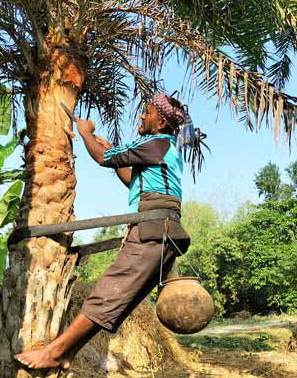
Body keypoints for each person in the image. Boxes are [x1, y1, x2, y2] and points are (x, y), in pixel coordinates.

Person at [15, 93, 200, 370]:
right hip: (164, 233)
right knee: (117, 302)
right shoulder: (167, 148)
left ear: (160, 122)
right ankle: (68, 353)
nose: (141, 116)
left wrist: (86, 133)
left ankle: (54, 352)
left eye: (146, 112)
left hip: (151, 232)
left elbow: (103, 158)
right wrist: (112, 149)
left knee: (107, 295)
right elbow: (133, 181)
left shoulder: (154, 143)